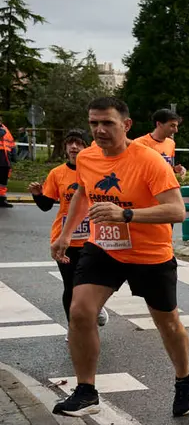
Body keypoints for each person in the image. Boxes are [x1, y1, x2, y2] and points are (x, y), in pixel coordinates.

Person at [50, 97, 189, 418]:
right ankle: (86, 391)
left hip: (150, 254)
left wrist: (125, 214)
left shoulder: (149, 160)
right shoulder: (86, 158)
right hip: (103, 247)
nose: (99, 130)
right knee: (81, 310)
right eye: (94, 123)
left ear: (126, 125)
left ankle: (184, 378)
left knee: (167, 324)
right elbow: (83, 196)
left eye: (107, 123)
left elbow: (177, 210)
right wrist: (64, 234)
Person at [30, 129, 108, 326]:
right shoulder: (57, 173)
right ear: (65, 147)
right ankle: (74, 328)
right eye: (70, 143)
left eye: (79, 143)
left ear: (86, 146)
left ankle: (95, 306)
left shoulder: (96, 170)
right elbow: (47, 205)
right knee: (70, 285)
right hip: (66, 238)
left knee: (92, 284)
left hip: (93, 238)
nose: (74, 147)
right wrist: (38, 195)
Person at [136, 109, 187, 178]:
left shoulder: (171, 143)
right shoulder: (139, 143)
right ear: (159, 124)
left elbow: (166, 167)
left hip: (165, 187)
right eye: (172, 126)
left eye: (176, 126)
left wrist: (175, 169)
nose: (176, 130)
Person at [0, 115, 14, 207]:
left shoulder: (5, 128)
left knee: (3, 181)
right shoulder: (2, 130)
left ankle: (1, 200)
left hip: (5, 159)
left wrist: (14, 155)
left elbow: (11, 142)